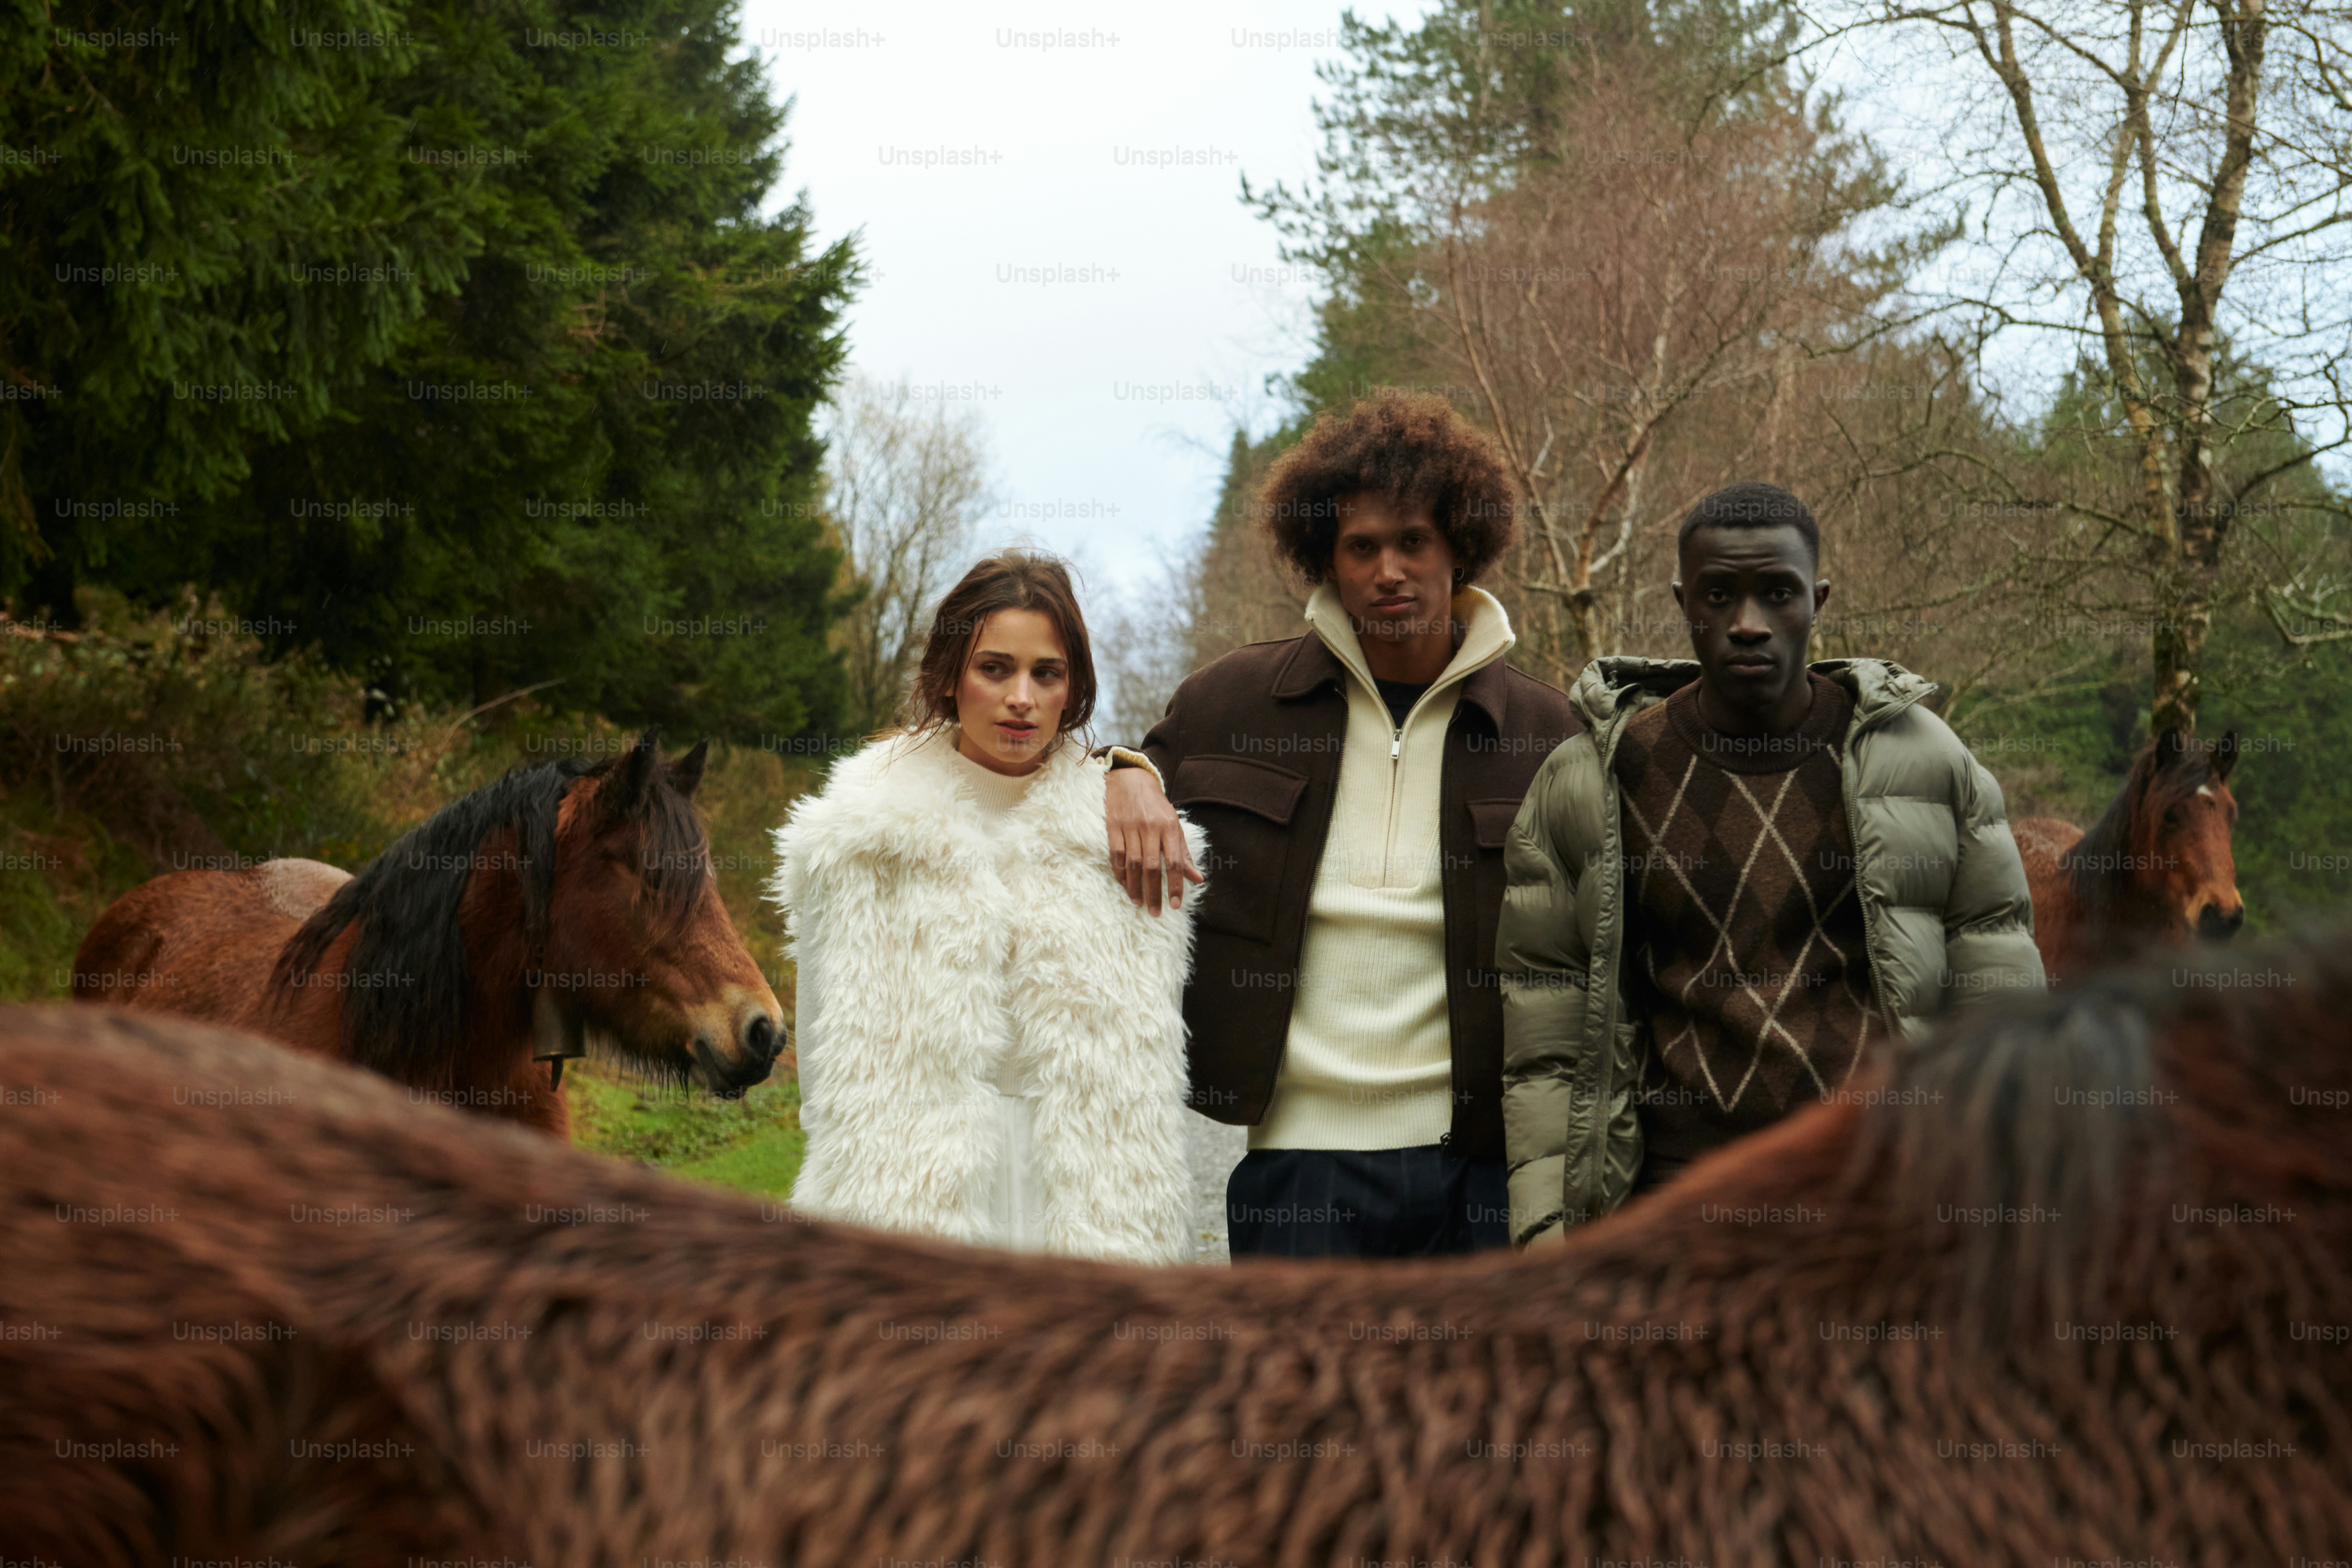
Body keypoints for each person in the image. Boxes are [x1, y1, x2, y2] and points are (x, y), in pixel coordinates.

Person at [1098, 389, 1582, 1258]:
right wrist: (1122, 771)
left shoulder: (1548, 733)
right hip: (1299, 1164)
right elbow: (1079, 791)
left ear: (1459, 548)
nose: (1389, 569)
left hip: (1484, 1168)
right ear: (1325, 559)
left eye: (1413, 541)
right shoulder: (1233, 701)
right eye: (1362, 546)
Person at [1497, 481, 2046, 1246]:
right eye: (1719, 595)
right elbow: (1547, 1036)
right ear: (1683, 601)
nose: (1748, 624)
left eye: (1779, 594)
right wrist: (1550, 1235)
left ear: (1818, 599)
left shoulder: (1923, 762)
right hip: (1674, 1207)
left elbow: (2001, 1000)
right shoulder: (1593, 777)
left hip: (1873, 1196)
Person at [770, 551, 1203, 1264]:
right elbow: (823, 1067)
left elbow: (1154, 1060)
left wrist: (1131, 770)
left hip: (1092, 1200)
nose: (1021, 698)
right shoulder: (858, 836)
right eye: (995, 669)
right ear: (949, 675)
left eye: (1047, 673)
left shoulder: (1127, 840)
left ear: (1074, 688)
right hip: (908, 1195)